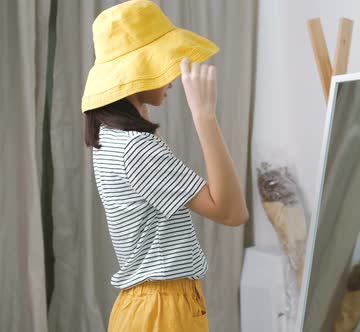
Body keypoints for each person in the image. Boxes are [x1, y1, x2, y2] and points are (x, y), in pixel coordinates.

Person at [81, 1, 248, 331]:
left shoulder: (112, 138)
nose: (171, 74)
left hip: (150, 308)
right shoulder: (135, 149)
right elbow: (232, 212)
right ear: (135, 72)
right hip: (162, 313)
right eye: (161, 61)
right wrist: (204, 116)